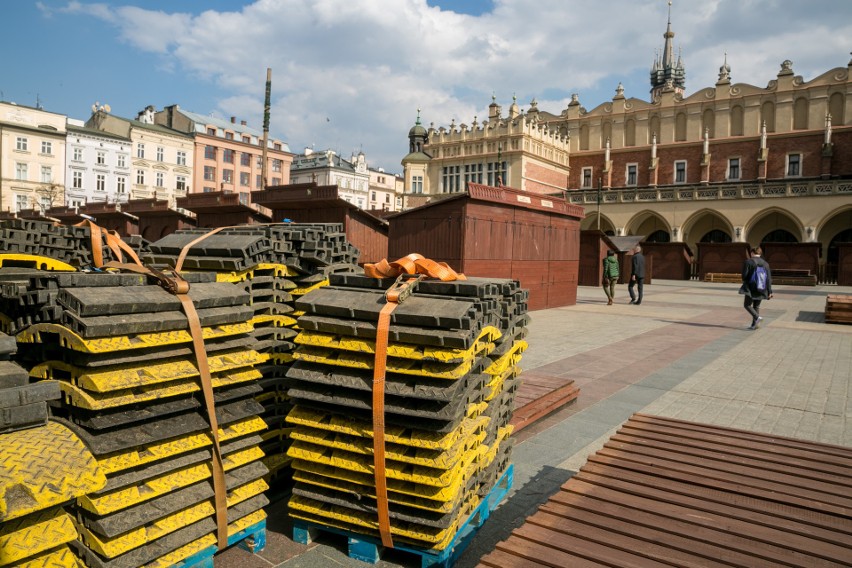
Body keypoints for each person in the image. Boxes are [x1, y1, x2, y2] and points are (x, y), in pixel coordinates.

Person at [740, 246, 773, 329]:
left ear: (752, 253)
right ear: (760, 253)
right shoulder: (766, 263)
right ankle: (755, 325)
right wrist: (770, 291)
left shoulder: (748, 262)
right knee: (756, 306)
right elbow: (769, 279)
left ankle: (757, 317)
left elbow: (744, 276)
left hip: (750, 288)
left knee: (747, 305)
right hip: (762, 287)